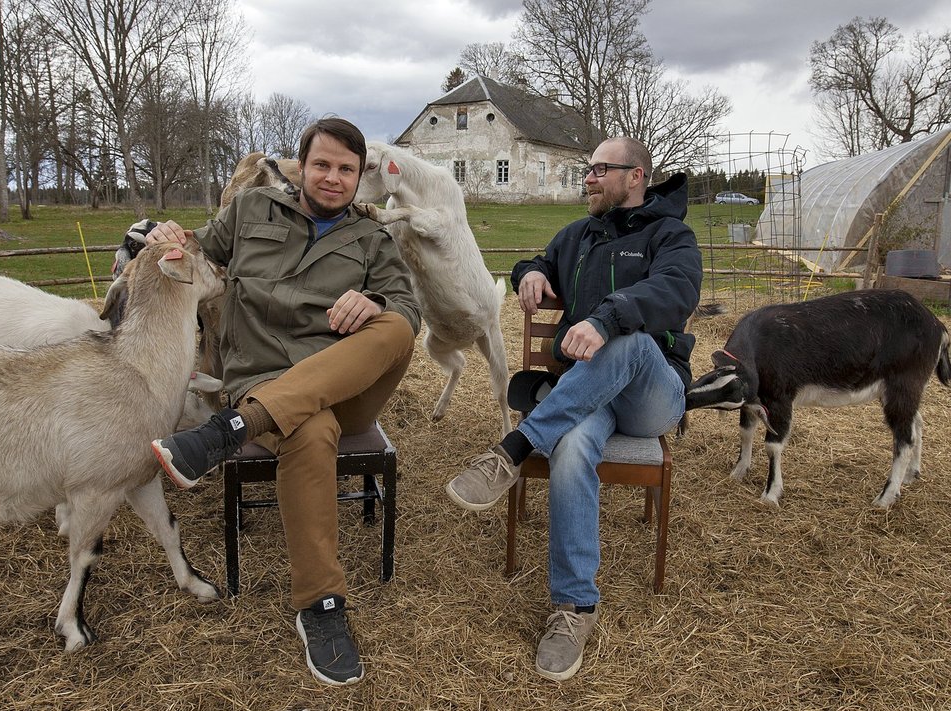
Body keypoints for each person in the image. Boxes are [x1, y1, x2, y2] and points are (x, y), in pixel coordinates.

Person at [146, 117, 421, 686]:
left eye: (347, 169)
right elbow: (197, 253)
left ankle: (225, 433)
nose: (334, 178)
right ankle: (321, 608)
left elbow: (408, 308)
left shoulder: (373, 239)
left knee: (396, 329)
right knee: (309, 429)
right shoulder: (252, 212)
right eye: (323, 165)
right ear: (302, 167)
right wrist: (168, 241)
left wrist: (373, 301)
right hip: (263, 381)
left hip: (347, 389)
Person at [445, 137, 701, 681]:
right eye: (587, 169)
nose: (587, 178)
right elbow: (536, 259)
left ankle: (513, 449)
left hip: (650, 397)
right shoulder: (579, 236)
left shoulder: (671, 235)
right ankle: (574, 607)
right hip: (588, 393)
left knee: (631, 340)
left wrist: (608, 319)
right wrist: (529, 273)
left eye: (599, 170)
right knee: (573, 447)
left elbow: (677, 292)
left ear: (635, 177)